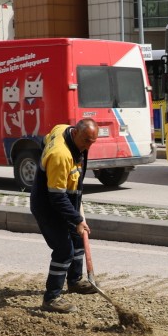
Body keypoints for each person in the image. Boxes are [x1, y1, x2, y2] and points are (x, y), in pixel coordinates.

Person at [30, 118, 101, 313]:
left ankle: (75, 281)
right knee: (64, 250)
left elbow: (45, 140)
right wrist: (77, 219)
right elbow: (57, 197)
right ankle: (51, 298)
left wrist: (77, 213)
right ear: (76, 133)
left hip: (67, 199)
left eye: (92, 142)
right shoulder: (60, 155)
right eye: (86, 141)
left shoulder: (63, 130)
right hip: (47, 205)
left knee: (78, 239)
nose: (88, 147)